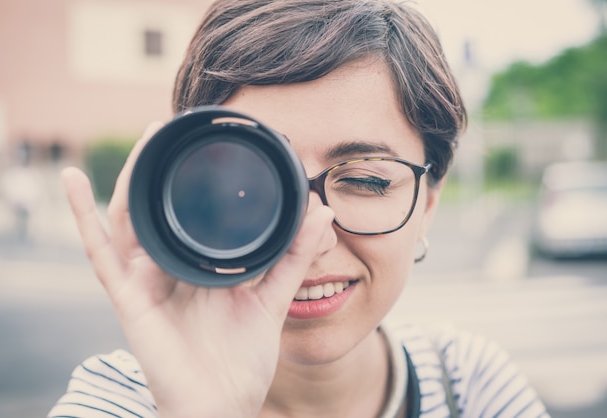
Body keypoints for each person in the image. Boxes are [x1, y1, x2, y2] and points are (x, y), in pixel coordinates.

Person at [48, 1, 550, 417]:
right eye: (253, 183)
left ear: (428, 205)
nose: (308, 237)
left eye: (365, 180)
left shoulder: (471, 386)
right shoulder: (113, 400)